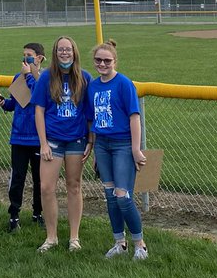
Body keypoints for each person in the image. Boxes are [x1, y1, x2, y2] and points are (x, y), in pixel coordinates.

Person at [86, 40, 148, 262]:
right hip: (103, 145)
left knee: (123, 197)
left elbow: (134, 117)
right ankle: (119, 243)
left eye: (107, 60)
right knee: (110, 197)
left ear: (114, 61)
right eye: (98, 60)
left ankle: (139, 244)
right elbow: (92, 119)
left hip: (122, 144)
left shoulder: (123, 83)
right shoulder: (92, 86)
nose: (102, 64)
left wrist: (135, 149)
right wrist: (93, 148)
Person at [31, 36, 92, 252]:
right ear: (55, 53)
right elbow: (38, 110)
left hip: (76, 139)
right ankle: (51, 237)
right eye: (60, 50)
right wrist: (43, 143)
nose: (64, 53)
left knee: (74, 186)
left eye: (68, 49)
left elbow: (89, 113)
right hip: (53, 140)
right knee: (47, 188)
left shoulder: (84, 78)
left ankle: (74, 237)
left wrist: (90, 140)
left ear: (74, 52)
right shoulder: (46, 77)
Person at [1, 42, 46, 232]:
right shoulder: (18, 77)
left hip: (37, 139)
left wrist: (28, 75)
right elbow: (17, 103)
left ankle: (38, 213)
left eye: (29, 55)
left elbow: (37, 95)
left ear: (39, 58)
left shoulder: (44, 78)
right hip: (19, 137)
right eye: (24, 55)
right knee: (18, 178)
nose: (25, 58)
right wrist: (3, 103)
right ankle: (14, 215)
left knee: (39, 179)